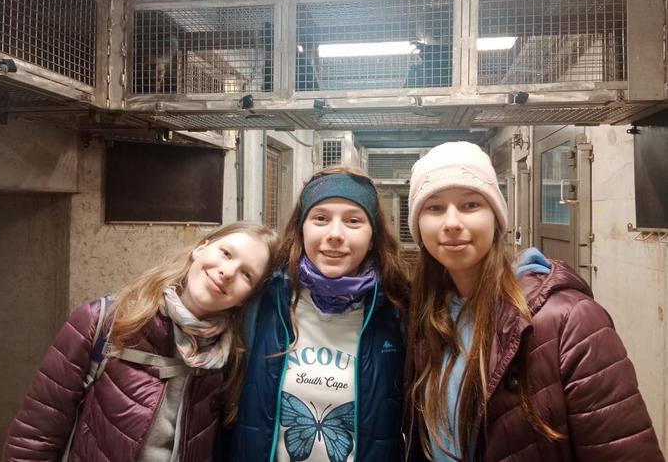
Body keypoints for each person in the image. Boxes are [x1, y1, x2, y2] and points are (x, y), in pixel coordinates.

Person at [404, 142, 663, 462]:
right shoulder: (426, 318)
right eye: (434, 207)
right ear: (418, 225)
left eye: (471, 204)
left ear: (496, 218)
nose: (452, 222)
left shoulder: (570, 321)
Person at [3, 221, 278, 462]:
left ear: (246, 297)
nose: (228, 272)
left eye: (247, 275)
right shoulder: (102, 323)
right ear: (200, 248)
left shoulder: (232, 358)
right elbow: (35, 436)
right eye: (226, 253)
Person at [230, 167, 410, 462]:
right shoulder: (265, 301)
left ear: (372, 237)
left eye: (353, 221)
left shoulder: (397, 311)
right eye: (321, 219)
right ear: (301, 229)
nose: (335, 234)